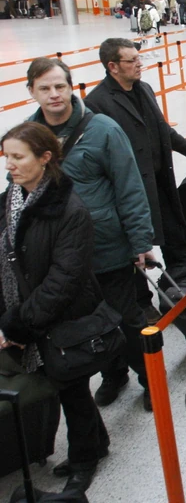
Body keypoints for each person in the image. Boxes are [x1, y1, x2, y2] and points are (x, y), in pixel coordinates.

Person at [24, 58, 155, 421]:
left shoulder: (103, 130)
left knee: (126, 318)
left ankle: (150, 379)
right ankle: (113, 374)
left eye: (60, 86)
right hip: (62, 255)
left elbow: (130, 187)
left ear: (71, 88)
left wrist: (140, 241)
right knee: (86, 321)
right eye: (45, 88)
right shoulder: (29, 136)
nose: (54, 94)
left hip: (107, 247)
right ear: (32, 91)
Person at [0, 122, 109, 493]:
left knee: (71, 387)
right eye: (7, 157)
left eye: (18, 157)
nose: (9, 165)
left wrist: (18, 324)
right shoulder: (12, 200)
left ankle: (84, 460)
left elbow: (64, 280)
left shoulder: (70, 210)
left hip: (61, 317)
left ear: (45, 158)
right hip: (33, 313)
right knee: (68, 387)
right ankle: (98, 442)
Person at [84, 38, 186, 311]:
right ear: (112, 66)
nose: (140, 64)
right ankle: (142, 305)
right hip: (129, 191)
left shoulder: (144, 89)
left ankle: (183, 285)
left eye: (138, 58)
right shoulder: (96, 103)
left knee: (174, 234)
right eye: (132, 60)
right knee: (135, 248)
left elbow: (161, 128)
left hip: (158, 182)